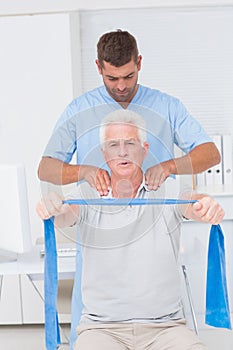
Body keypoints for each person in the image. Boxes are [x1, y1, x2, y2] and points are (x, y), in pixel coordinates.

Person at [37, 110, 224, 350]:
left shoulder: (169, 190)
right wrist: (52, 206)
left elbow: (194, 204)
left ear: (144, 149)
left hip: (166, 329)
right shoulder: (86, 194)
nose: (123, 152)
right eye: (114, 145)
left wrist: (206, 206)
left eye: (130, 143)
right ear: (104, 153)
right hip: (102, 331)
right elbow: (63, 215)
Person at [37, 29, 220, 195]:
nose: (122, 86)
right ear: (99, 68)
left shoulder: (167, 107)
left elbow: (210, 154)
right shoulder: (79, 110)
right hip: (96, 224)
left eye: (129, 76)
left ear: (139, 63)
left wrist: (169, 167)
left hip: (157, 222)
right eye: (112, 78)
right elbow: (46, 169)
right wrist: (84, 171)